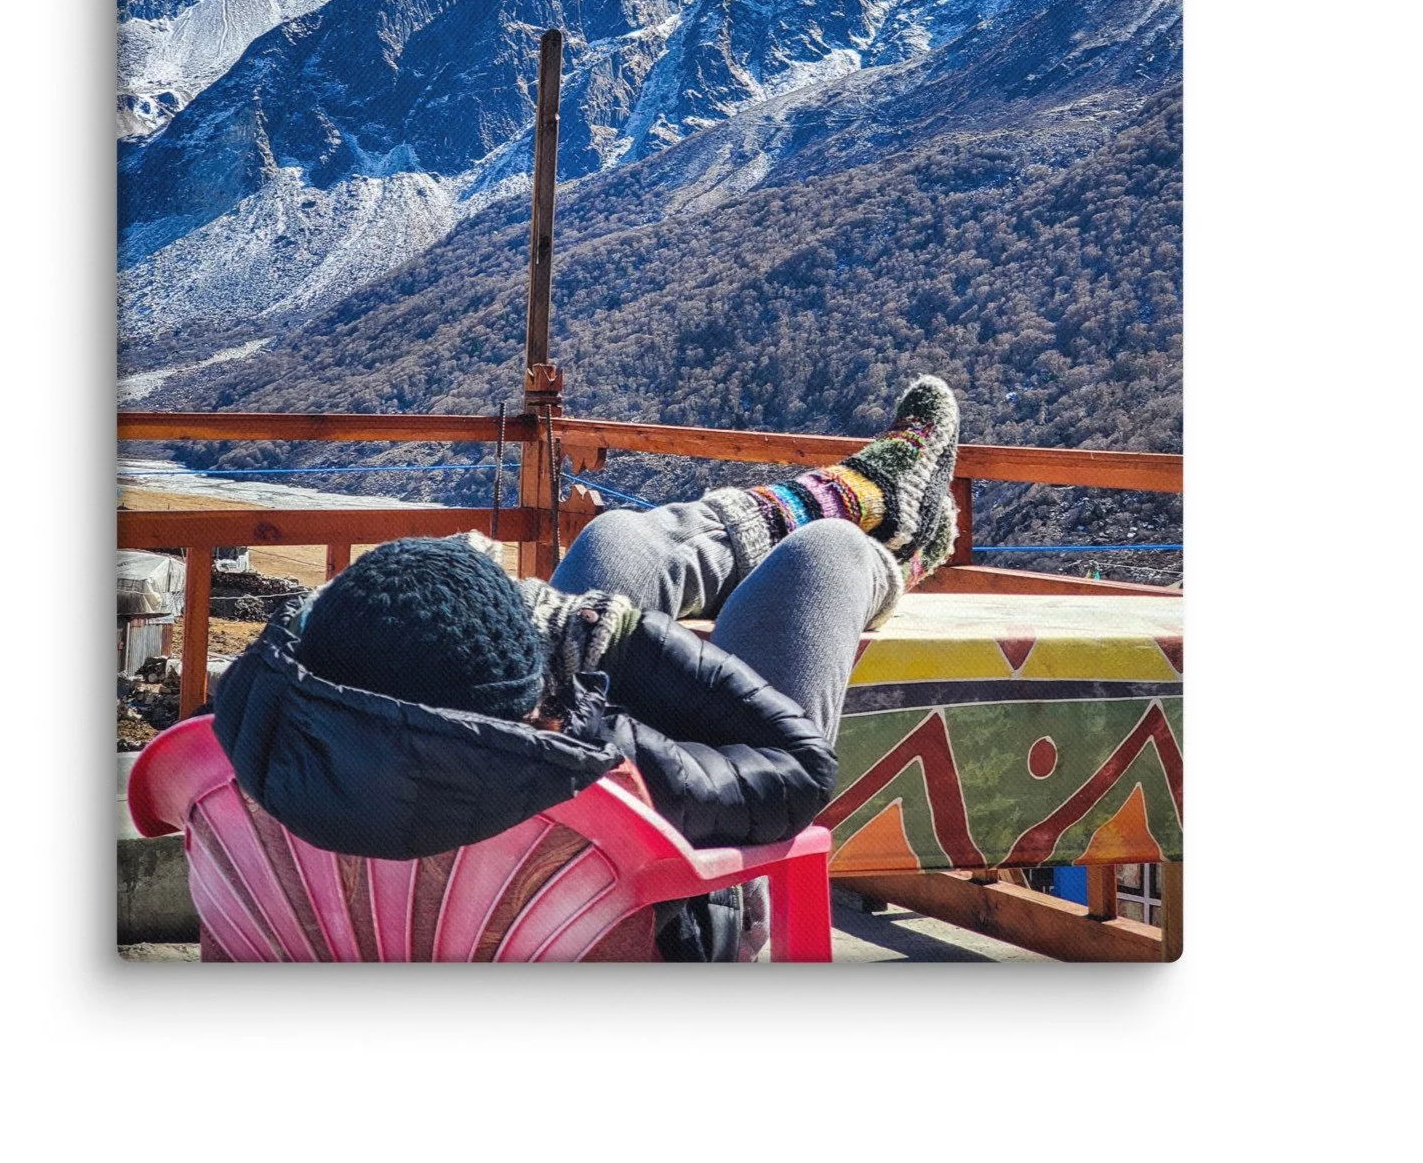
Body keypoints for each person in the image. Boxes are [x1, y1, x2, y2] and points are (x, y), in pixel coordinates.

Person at [210, 377, 962, 958]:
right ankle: (873, 524)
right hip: (677, 905)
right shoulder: (592, 762)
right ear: (533, 711)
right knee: (821, 558)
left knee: (615, 542)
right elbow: (798, 767)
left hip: (523, 882)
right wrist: (617, 638)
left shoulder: (257, 737)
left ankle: (855, 499)